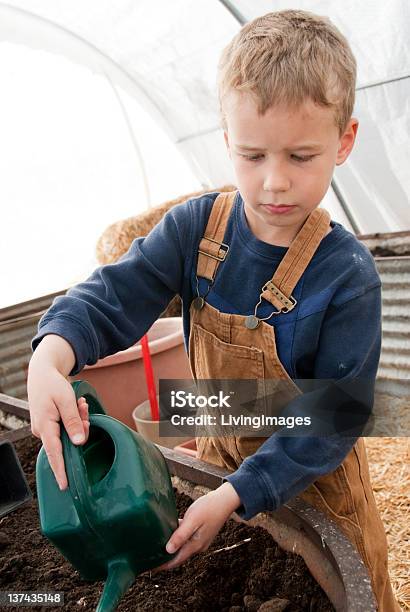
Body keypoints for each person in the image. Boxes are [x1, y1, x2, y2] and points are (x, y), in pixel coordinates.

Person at [28, 10, 398, 610]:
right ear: (226, 139)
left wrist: (236, 494)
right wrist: (52, 353)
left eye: (301, 157)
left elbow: (334, 414)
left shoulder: (346, 276)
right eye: (252, 156)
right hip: (220, 465)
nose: (274, 183)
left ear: (344, 141)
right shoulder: (196, 230)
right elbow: (116, 293)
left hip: (316, 491)